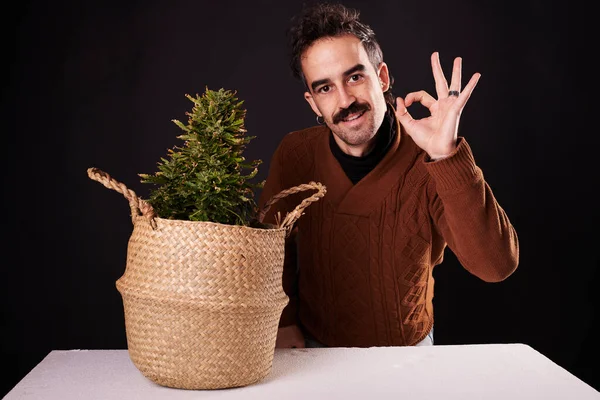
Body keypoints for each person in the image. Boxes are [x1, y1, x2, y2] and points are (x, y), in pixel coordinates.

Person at [257, 2, 519, 348]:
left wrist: (446, 155)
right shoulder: (295, 154)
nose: (345, 99)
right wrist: (284, 322)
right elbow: (271, 251)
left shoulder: (429, 156)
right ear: (312, 104)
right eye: (325, 88)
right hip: (314, 350)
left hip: (408, 354)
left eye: (354, 77)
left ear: (381, 77)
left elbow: (495, 265)